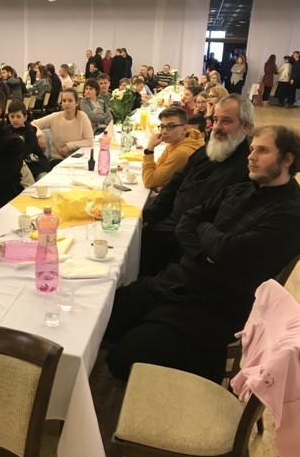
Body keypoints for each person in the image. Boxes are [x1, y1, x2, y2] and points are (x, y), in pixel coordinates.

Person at [105, 124, 300, 384]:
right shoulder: (241, 188)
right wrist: (203, 252)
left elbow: (228, 250)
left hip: (214, 305)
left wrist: (204, 229)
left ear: (287, 160)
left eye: (262, 150)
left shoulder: (291, 213)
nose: (251, 156)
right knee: (103, 319)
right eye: (252, 149)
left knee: (120, 361)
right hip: (179, 279)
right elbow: (187, 221)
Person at [140, 94, 253, 277]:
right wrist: (152, 214)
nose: (217, 127)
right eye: (215, 120)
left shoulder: (247, 168)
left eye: (226, 121)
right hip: (170, 221)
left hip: (190, 240)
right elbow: (176, 183)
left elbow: (220, 219)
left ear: (245, 127)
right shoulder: (206, 150)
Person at [142, 107, 204, 191]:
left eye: (170, 126)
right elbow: (156, 170)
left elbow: (148, 181)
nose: (164, 132)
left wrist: (149, 149)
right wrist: (157, 186)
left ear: (185, 129)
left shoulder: (181, 153)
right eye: (162, 126)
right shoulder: (176, 142)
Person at [32, 88, 94, 168]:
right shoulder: (55, 117)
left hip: (76, 158)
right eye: (64, 101)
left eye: (70, 101)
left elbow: (89, 141)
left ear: (77, 103)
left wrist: (69, 146)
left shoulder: (82, 117)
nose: (66, 104)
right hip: (57, 158)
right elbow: (33, 123)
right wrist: (40, 135)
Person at [5, 99, 50, 181]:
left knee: (43, 181)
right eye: (12, 116)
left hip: (37, 165)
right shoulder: (6, 130)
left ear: (25, 117)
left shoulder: (30, 132)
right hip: (19, 167)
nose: (15, 120)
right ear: (8, 117)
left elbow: (24, 151)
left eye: (18, 116)